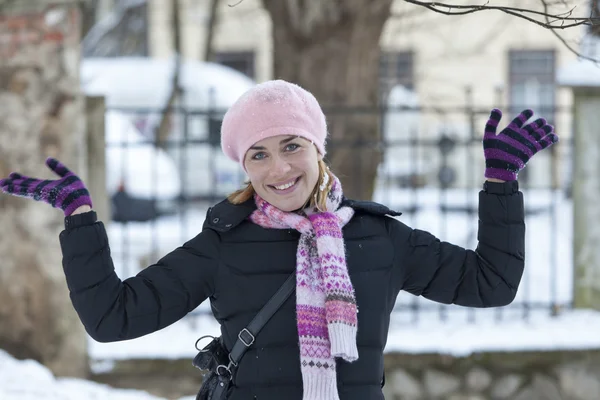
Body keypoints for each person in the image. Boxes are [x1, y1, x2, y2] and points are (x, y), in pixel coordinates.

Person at [0, 80, 558, 400]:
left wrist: (499, 186)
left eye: (292, 145)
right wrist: (80, 222)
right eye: (258, 154)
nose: (278, 168)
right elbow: (113, 318)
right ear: (244, 166)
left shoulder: (380, 237)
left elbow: (491, 284)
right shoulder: (222, 244)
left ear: (318, 148)